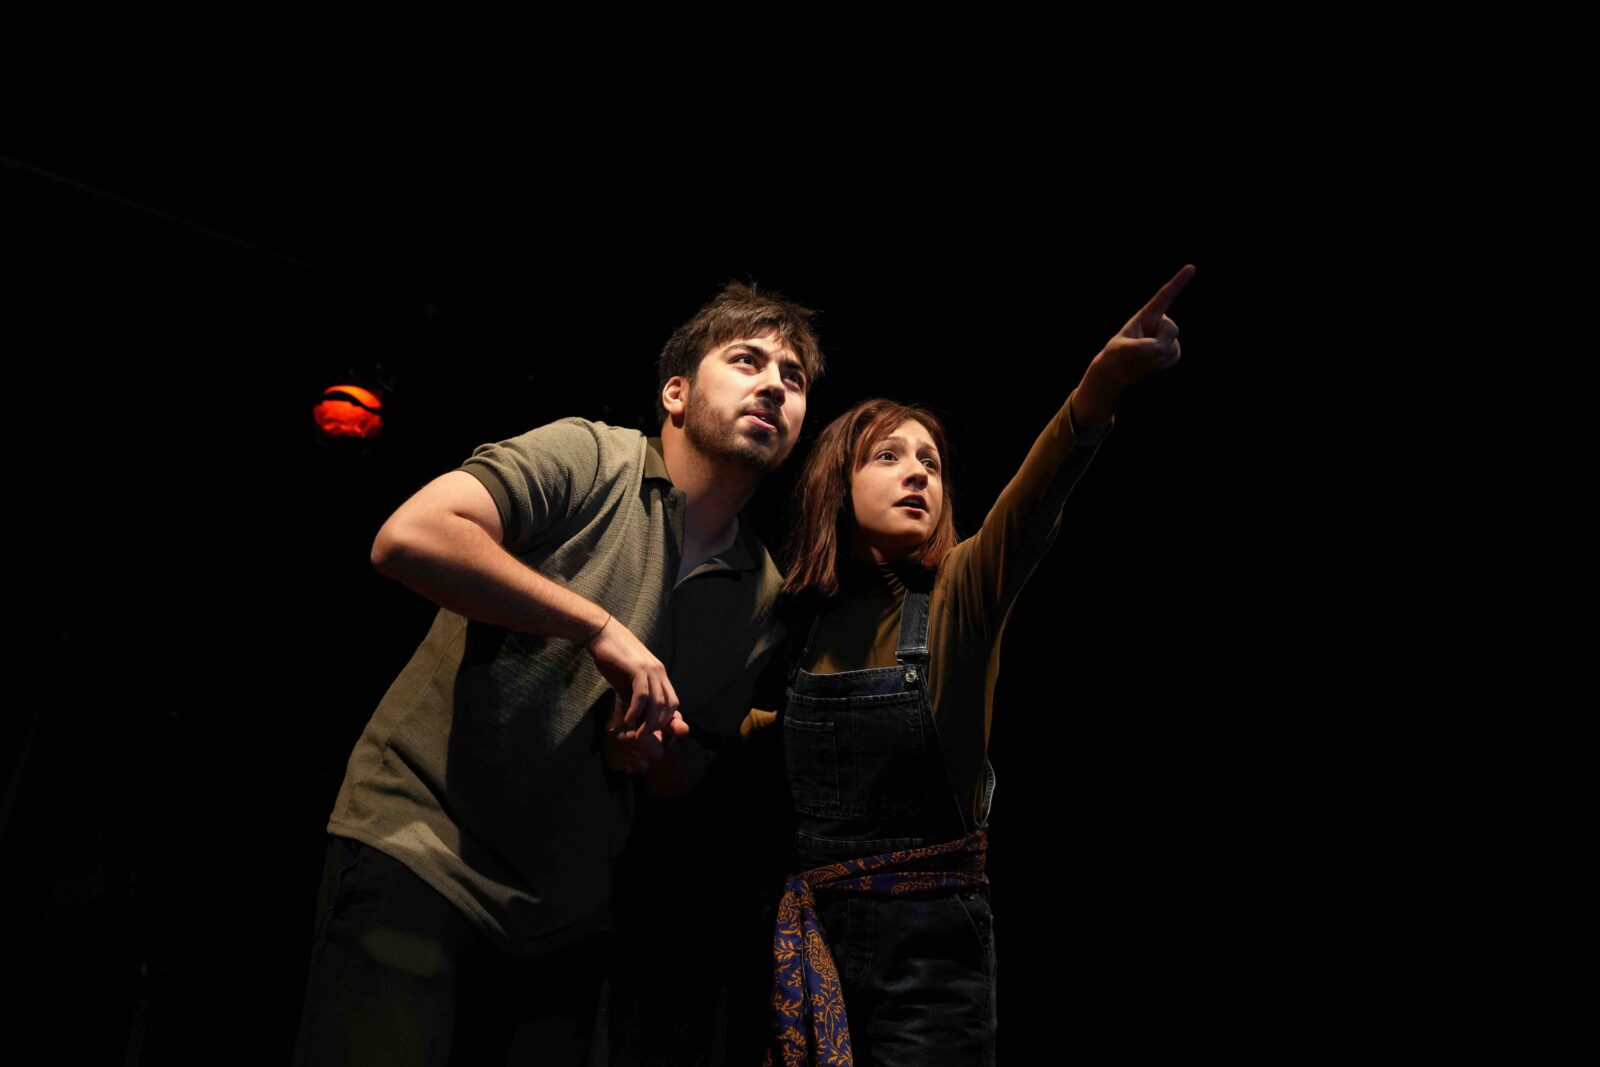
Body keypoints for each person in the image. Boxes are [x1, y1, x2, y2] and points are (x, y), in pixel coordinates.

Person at [293, 281, 824, 1067]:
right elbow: (410, 536)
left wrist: (647, 755)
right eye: (747, 360)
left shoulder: (763, 596)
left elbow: (680, 777)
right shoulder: (592, 455)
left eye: (794, 377)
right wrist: (596, 626)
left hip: (564, 920)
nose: (774, 384)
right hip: (421, 848)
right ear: (676, 393)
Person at [762, 266, 1194, 1065]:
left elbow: (1032, 503)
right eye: (889, 455)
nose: (918, 471)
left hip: (929, 966)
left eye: (930, 461)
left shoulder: (961, 594)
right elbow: (772, 739)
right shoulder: (799, 621)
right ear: (837, 483)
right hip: (815, 944)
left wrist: (1098, 386)